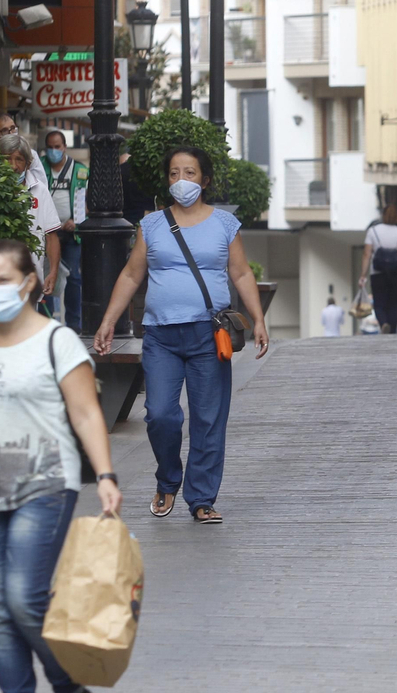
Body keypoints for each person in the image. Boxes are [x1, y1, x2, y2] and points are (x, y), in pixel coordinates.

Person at [0, 239, 121, 693]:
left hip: (44, 485)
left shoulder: (56, 341)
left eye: (3, 280)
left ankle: (68, 682)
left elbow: (86, 413)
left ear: (29, 282)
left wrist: (106, 475)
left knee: (24, 599)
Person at [92, 147, 268, 524]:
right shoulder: (153, 225)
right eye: (174, 173)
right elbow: (131, 274)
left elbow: (240, 273)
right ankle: (168, 478)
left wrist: (258, 319)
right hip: (161, 336)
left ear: (205, 179)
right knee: (160, 415)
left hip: (209, 334)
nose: (181, 180)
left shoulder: (224, 224)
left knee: (208, 419)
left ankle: (201, 498)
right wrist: (108, 320)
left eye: (190, 172)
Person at [0, 135, 60, 304]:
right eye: (7, 159)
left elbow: (51, 236)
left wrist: (53, 272)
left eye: (19, 159)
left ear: (28, 164)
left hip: (29, 284)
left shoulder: (39, 190)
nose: (13, 166)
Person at [41, 130, 88, 330]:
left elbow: (87, 201)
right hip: (46, 233)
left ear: (64, 147)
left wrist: (77, 221)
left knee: (73, 278)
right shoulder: (39, 168)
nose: (54, 151)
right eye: (50, 147)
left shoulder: (79, 170)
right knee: (46, 276)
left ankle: (74, 325)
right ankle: (47, 323)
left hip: (71, 233)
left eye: (57, 147)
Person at [361, 205, 397, 334]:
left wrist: (363, 275)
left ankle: (383, 323)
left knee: (379, 302)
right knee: (394, 304)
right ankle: (392, 331)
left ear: (383, 216)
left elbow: (367, 254)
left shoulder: (373, 231)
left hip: (378, 272)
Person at [0, 112, 46, 186]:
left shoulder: (30, 154)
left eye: (13, 128)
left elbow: (40, 185)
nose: (11, 133)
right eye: (4, 130)